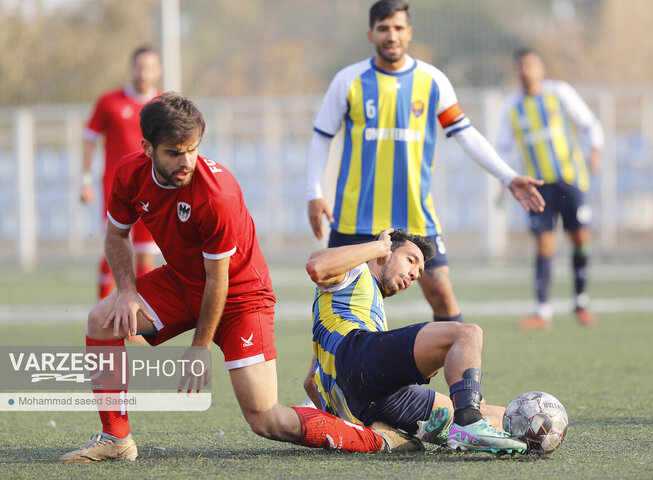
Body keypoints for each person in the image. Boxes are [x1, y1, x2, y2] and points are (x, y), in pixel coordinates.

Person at [61, 93, 413, 463]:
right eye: (174, 153)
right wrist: (127, 291)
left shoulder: (217, 195)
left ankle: (379, 440)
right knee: (101, 321)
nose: (186, 162)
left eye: (192, 150)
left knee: (266, 419)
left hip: (241, 297)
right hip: (182, 282)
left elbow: (219, 281)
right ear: (147, 147)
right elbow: (116, 235)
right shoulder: (129, 173)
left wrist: (199, 346)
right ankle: (116, 439)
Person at [306, 0, 545, 326]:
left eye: (398, 28)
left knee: (442, 294)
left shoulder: (432, 80)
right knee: (333, 299)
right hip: (355, 217)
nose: (392, 36)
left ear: (410, 32)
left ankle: (463, 375)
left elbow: (464, 132)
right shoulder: (348, 81)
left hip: (415, 216)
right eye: (384, 29)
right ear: (371, 34)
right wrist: (314, 192)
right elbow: (321, 137)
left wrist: (508, 176)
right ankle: (318, 376)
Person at [303, 228, 527, 455]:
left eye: (418, 272)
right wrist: (378, 248)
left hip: (372, 399)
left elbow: (311, 382)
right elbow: (316, 266)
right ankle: (469, 424)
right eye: (410, 261)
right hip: (356, 360)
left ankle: (531, 429)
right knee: (467, 334)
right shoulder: (355, 271)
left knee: (490, 414)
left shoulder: (364, 312)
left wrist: (345, 424)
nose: (413, 274)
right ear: (387, 250)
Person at [495, 48, 604, 330]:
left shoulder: (559, 93)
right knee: (544, 243)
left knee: (579, 238)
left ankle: (580, 301)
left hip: (570, 180)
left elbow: (589, 123)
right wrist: (502, 181)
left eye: (531, 65)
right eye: (521, 66)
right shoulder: (512, 106)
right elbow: (504, 149)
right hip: (538, 186)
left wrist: (595, 151)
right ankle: (542, 311)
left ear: (541, 69)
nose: (526, 71)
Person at [81, 46, 162, 300]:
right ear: (131, 68)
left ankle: (138, 322)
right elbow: (89, 138)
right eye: (139, 67)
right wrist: (86, 180)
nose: (143, 73)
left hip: (152, 188)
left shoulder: (162, 105)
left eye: (149, 68)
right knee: (116, 247)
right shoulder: (109, 102)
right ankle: (102, 310)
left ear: (158, 71)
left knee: (146, 253)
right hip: (115, 188)